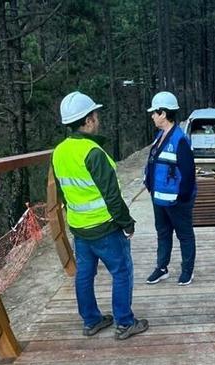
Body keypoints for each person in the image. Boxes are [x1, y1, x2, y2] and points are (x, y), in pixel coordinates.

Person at [52, 91, 148, 339]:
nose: (98, 118)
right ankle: (125, 323)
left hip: (80, 228)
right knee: (122, 271)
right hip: (105, 228)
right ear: (87, 120)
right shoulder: (93, 153)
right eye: (95, 115)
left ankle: (91, 321)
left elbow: (63, 192)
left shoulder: (59, 152)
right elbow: (112, 196)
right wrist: (127, 224)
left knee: (84, 274)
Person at [144, 91, 197, 286]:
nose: (152, 116)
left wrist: (182, 197)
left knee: (184, 234)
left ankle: (187, 271)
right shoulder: (159, 136)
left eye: (154, 113)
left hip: (176, 199)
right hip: (159, 198)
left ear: (163, 114)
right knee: (163, 233)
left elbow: (188, 173)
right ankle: (162, 268)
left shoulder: (179, 140)